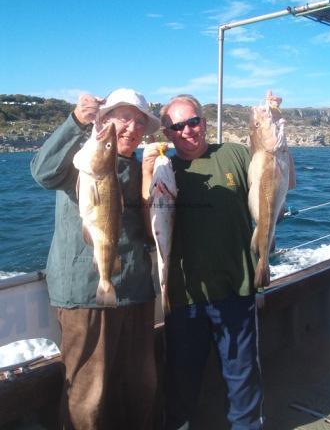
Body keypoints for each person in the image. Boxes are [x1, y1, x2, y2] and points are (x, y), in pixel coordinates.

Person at [142, 94, 295, 430]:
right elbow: (148, 227)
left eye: (193, 121)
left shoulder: (235, 155)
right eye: (177, 126)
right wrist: (144, 174)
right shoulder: (164, 169)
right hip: (185, 299)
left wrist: (273, 125)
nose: (187, 131)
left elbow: (281, 180)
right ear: (167, 133)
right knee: (181, 379)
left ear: (204, 121)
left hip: (237, 288)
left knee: (242, 380)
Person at [31, 88, 160, 430]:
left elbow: (152, 233)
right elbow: (42, 173)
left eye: (139, 122)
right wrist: (76, 121)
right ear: (103, 121)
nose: (130, 128)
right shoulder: (82, 162)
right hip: (86, 293)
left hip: (136, 291)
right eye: (122, 117)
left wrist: (150, 181)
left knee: (139, 386)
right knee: (88, 393)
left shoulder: (143, 167)